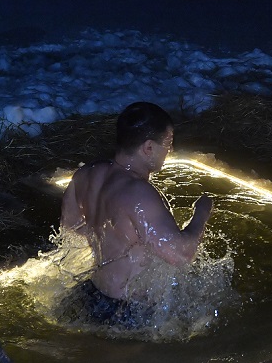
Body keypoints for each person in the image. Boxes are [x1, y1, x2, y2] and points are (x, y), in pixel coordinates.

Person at [60, 102, 214, 327]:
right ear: (148, 147)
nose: (170, 151)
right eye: (168, 144)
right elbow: (181, 254)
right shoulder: (138, 194)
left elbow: (70, 227)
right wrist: (201, 213)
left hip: (91, 296)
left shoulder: (85, 175)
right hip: (127, 312)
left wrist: (117, 240)